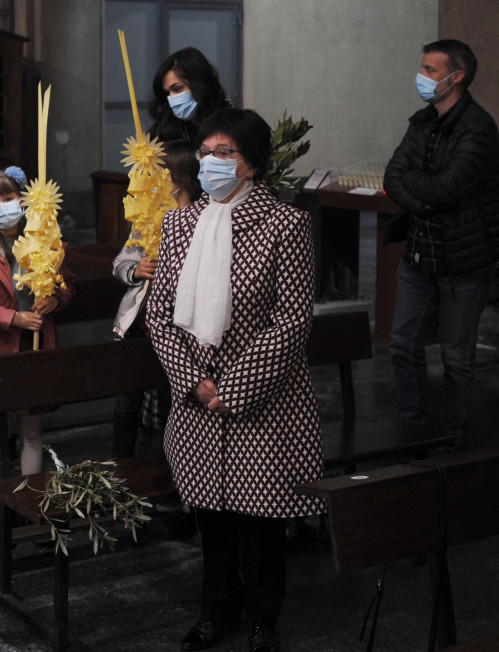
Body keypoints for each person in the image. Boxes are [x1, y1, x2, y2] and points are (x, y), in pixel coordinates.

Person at [146, 108, 324, 652]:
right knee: (213, 523)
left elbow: (292, 318)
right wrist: (197, 384)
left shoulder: (284, 224)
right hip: (199, 403)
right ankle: (216, 610)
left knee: (261, 526)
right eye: (205, 153)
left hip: (263, 403)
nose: (210, 162)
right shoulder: (180, 223)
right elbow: (160, 313)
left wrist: (236, 389)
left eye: (223, 153)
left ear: (250, 164)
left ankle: (263, 619)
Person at [382, 39, 499, 443]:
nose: (422, 77)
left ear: (457, 77)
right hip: (420, 252)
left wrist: (420, 190)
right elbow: (392, 177)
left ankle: (451, 431)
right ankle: (414, 423)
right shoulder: (422, 121)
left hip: (465, 258)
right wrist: (425, 196)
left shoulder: (479, 126)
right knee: (402, 343)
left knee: (456, 355)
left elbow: (448, 188)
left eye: (430, 70)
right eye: (423, 68)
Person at [0, 168, 74, 480]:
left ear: (21, 200)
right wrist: (12, 317)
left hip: (33, 348)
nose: (3, 206)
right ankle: (1, 493)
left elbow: (65, 284)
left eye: (8, 198)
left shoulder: (43, 240)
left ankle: (30, 495)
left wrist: (56, 299)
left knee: (31, 431)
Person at [112, 140, 199, 459]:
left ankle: (167, 473)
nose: (157, 182)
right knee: (126, 402)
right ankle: (120, 471)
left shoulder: (201, 220)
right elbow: (119, 264)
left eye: (165, 176)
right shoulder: (147, 217)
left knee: (169, 400)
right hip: (140, 326)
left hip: (179, 331)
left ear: (183, 178)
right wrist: (136, 270)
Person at [147, 47, 230, 144]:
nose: (171, 99)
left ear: (200, 84)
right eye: (167, 93)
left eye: (177, 89)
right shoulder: (161, 132)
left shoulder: (231, 127)